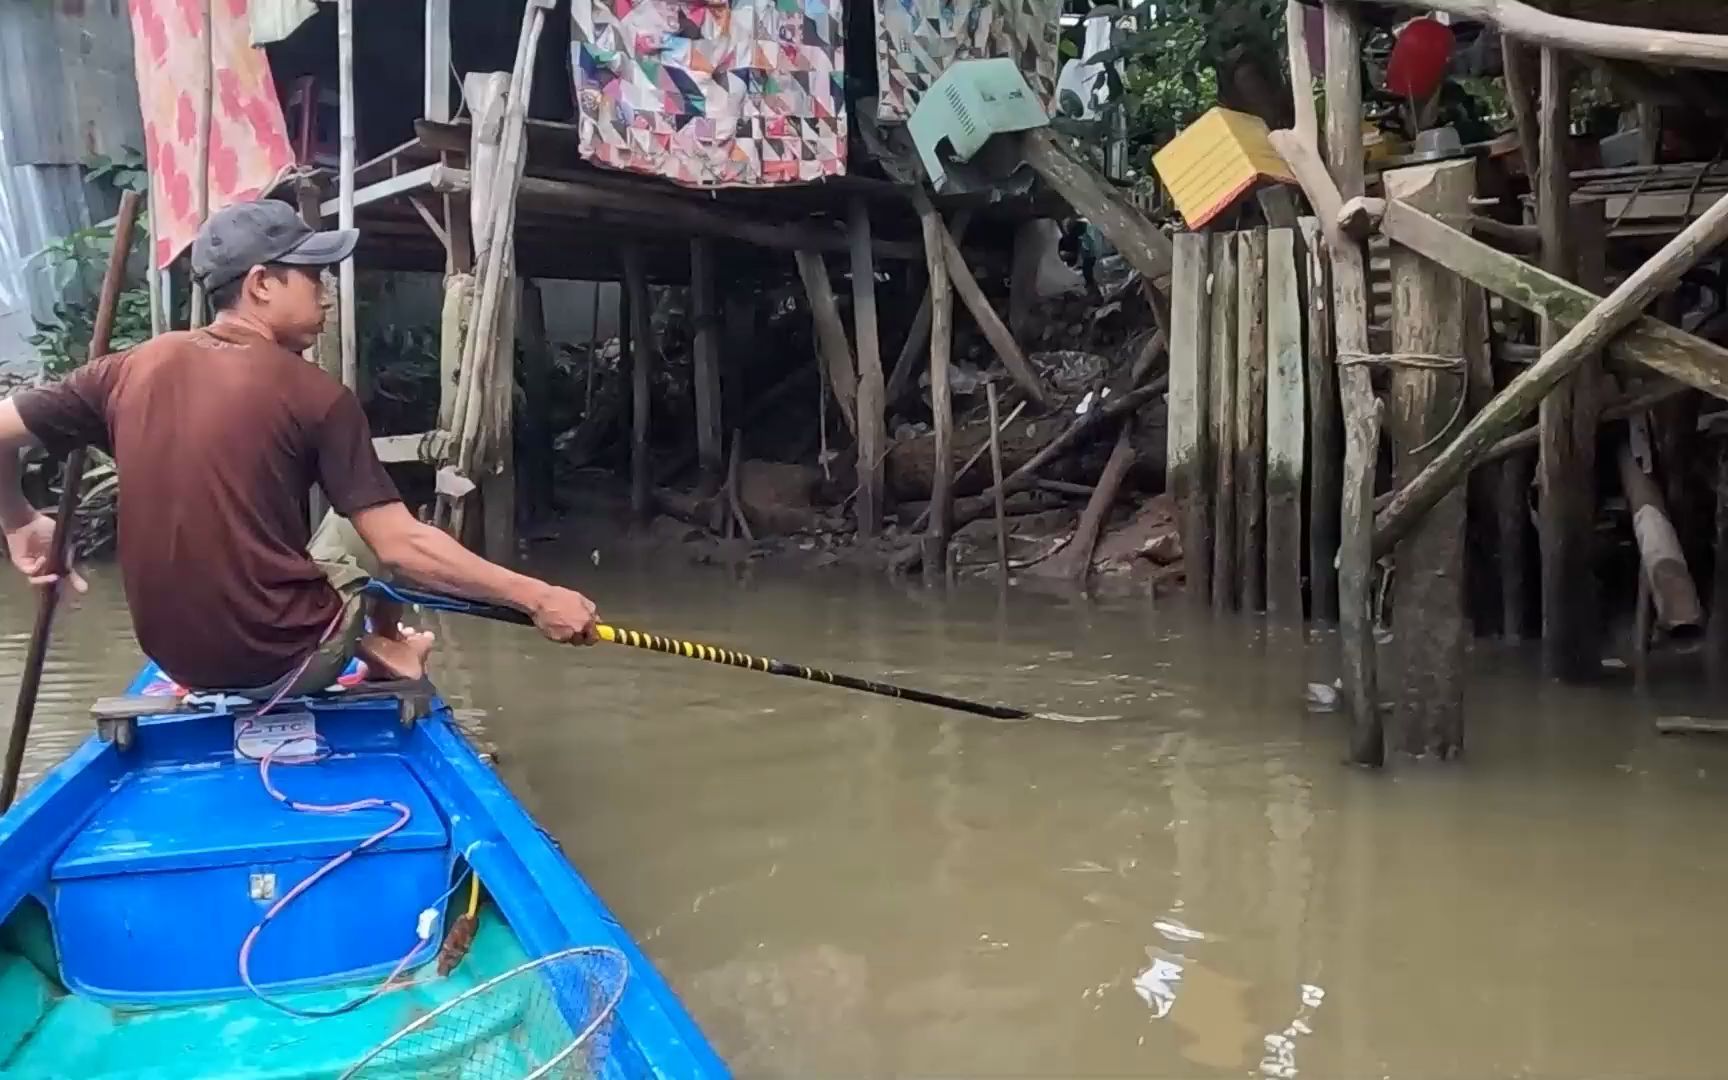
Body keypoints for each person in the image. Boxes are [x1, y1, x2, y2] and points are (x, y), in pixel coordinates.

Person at [0, 199, 599, 698]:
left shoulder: (123, 370)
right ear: (261, 285)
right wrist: (538, 596)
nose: (328, 294)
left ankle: (377, 645)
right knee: (369, 528)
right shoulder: (318, 394)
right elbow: (404, 547)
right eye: (314, 276)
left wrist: (19, 519)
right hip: (287, 668)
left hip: (178, 661)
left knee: (333, 538)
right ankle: (387, 648)